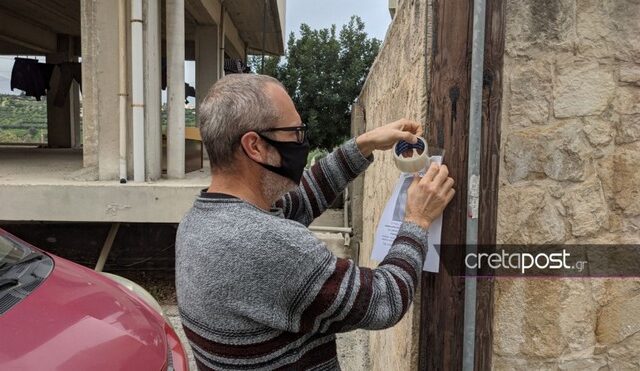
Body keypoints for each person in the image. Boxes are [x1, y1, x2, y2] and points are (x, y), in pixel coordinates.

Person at [175, 74, 455, 370]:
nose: (302, 141)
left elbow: (304, 197)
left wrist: (365, 143)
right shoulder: (270, 247)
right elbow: (384, 300)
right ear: (254, 146)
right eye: (295, 132)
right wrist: (417, 219)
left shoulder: (199, 221)